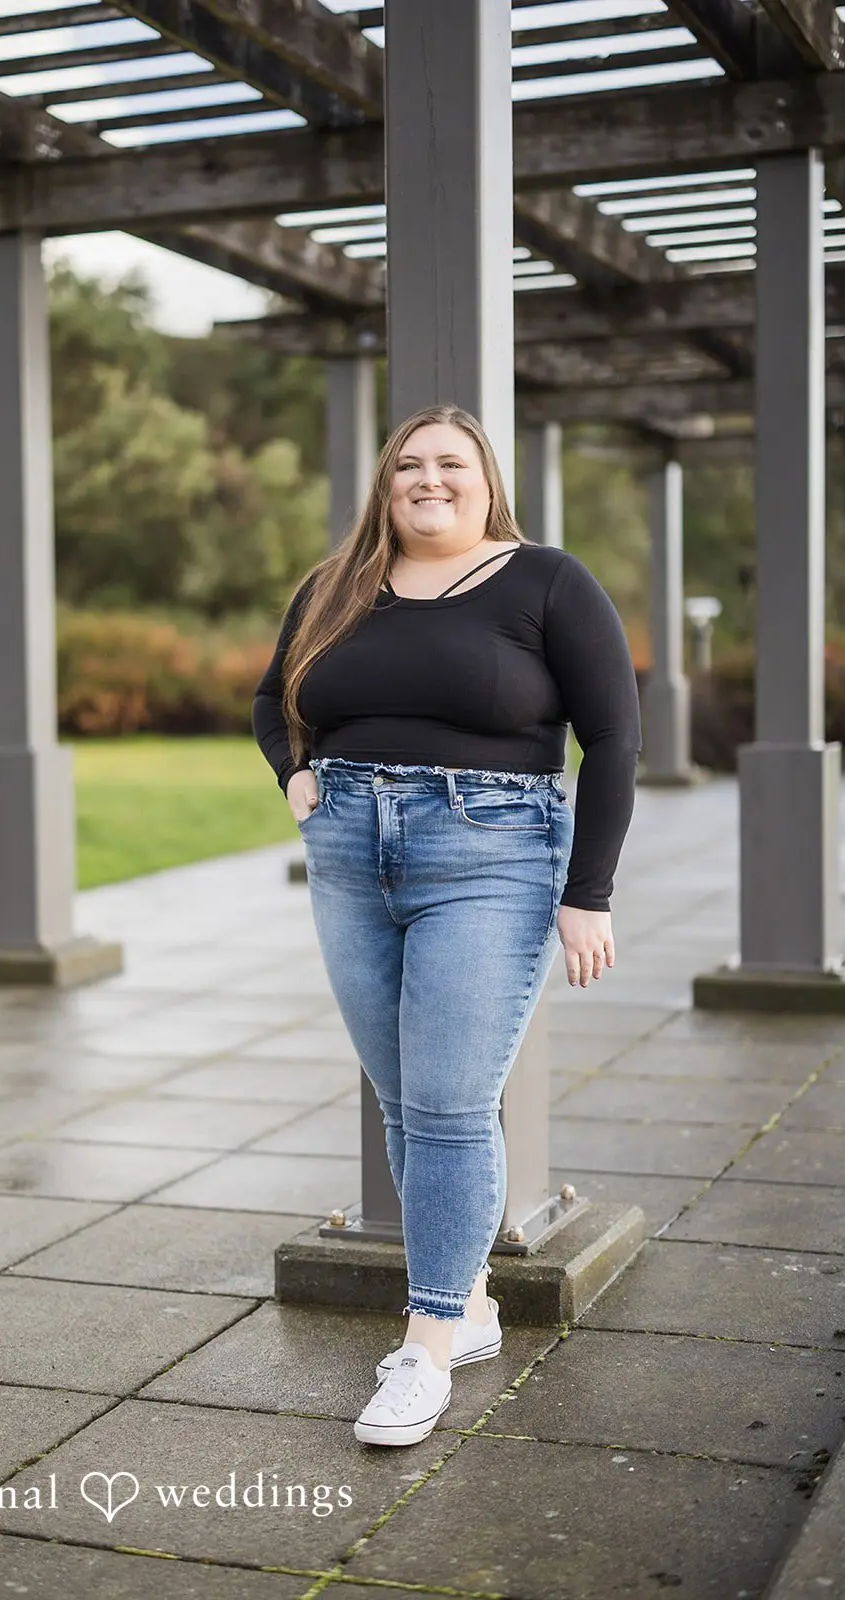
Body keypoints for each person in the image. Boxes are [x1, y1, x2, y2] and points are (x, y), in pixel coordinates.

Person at [251, 404, 641, 1449]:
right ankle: (465, 1305)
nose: (429, 479)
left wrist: (588, 891)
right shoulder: (336, 585)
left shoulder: (546, 582)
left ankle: (422, 1347)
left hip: (493, 848)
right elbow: (270, 697)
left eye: (450, 463)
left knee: (451, 1099)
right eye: (409, 464)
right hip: (345, 849)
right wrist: (296, 778)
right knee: (405, 1091)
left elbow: (613, 737)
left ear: (486, 480)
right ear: (387, 485)